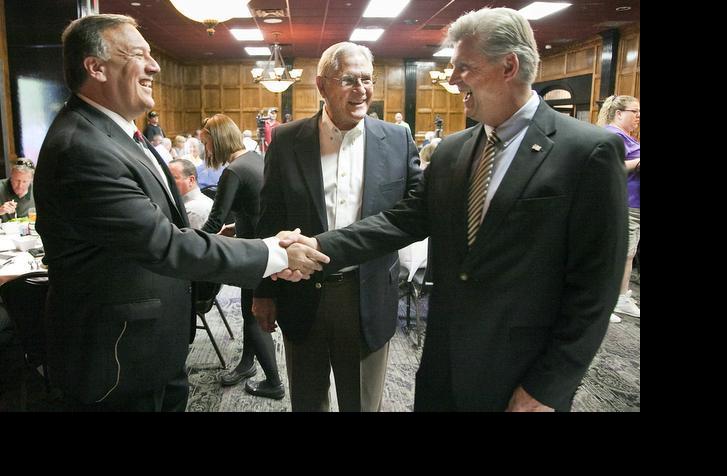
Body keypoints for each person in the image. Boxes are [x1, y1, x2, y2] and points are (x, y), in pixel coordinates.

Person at [277, 7, 627, 412]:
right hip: (442, 361)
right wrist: (314, 246)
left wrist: (549, 386)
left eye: (464, 67)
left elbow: (595, 288)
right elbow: (399, 221)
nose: (453, 77)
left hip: (522, 371)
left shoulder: (587, 151)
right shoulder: (452, 152)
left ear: (508, 66)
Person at [33, 14, 327, 411]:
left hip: (148, 345)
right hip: (115, 358)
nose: (154, 66)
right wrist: (273, 253)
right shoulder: (82, 148)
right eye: (138, 55)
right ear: (96, 67)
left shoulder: (115, 133)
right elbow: (165, 243)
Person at [253, 42, 422, 412]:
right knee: (308, 402)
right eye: (349, 79)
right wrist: (263, 291)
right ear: (321, 85)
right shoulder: (285, 140)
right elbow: (269, 219)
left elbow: (415, 215)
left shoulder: (397, 140)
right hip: (301, 296)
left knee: (361, 404)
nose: (361, 89)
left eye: (367, 79)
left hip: (369, 293)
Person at [199, 114, 285, 399]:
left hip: (255, 254)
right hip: (265, 245)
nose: (206, 151)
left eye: (206, 144)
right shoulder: (255, 159)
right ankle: (247, 365)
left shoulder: (233, 171)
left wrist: (185, 244)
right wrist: (238, 226)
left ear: (217, 140)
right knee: (251, 308)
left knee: (252, 316)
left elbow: (213, 223)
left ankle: (273, 383)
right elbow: (257, 207)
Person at [596, 95, 641, 321]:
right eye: (635, 112)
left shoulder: (626, 137)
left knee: (627, 254)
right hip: (623, 203)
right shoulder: (612, 135)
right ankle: (605, 301)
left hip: (633, 204)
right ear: (619, 113)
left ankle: (620, 297)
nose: (638, 117)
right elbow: (608, 168)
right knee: (618, 253)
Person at [168, 158, 212, 230]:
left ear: (191, 180)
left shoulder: (193, 211)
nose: (168, 182)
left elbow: (192, 240)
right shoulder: (205, 201)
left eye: (173, 178)